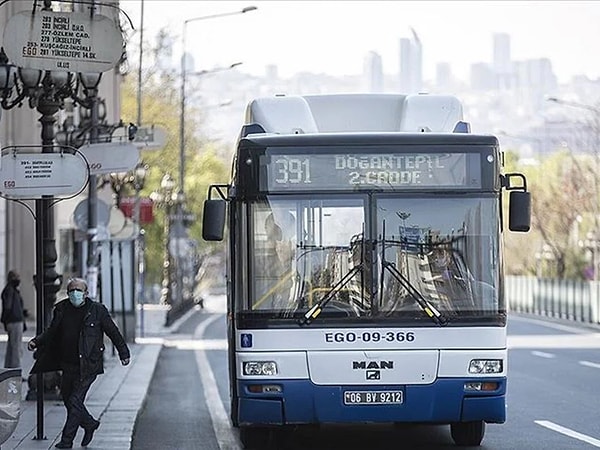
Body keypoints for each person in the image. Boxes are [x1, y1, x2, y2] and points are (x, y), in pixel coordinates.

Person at [27, 278, 131, 449]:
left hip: (89, 365)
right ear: (68, 293)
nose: (75, 293)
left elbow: (113, 332)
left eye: (79, 290)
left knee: (75, 400)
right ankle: (89, 424)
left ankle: (66, 441)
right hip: (68, 364)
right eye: (72, 290)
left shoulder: (97, 310)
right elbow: (52, 331)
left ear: (86, 293)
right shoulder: (61, 309)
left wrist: (123, 353)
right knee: (68, 399)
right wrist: (36, 342)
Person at [1, 270, 26, 368]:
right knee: (16, 348)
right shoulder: (11, 290)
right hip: (15, 321)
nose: (18, 280)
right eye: (16, 277)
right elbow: (8, 307)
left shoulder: (10, 290)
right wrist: (5, 319)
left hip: (13, 321)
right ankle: (16, 370)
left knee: (12, 347)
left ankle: (9, 369)